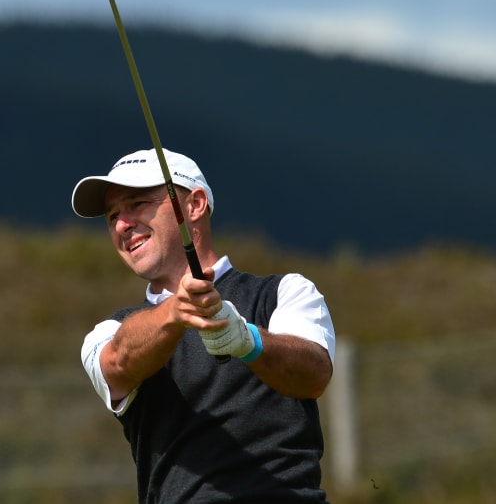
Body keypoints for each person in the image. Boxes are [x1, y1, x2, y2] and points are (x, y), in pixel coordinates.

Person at [72, 148, 336, 504]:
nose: (122, 224)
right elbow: (117, 364)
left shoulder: (285, 293)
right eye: (112, 215)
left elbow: (313, 374)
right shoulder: (109, 332)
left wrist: (246, 340)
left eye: (136, 204)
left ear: (194, 205)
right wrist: (175, 312)